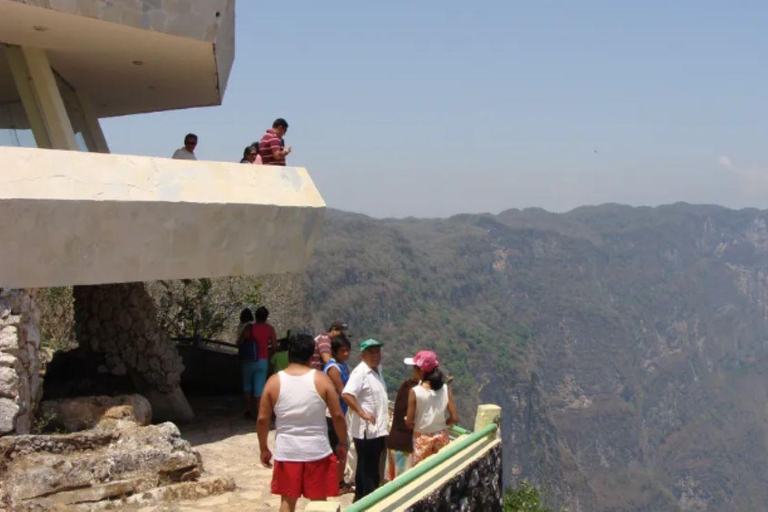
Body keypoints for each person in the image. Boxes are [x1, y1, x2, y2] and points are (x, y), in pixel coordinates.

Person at [257, 334, 348, 512]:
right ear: (311, 356)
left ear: (290, 353)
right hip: (317, 451)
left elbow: (262, 419)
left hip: (287, 451)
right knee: (319, 502)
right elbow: (337, 416)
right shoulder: (322, 380)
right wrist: (342, 442)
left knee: (287, 501)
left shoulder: (274, 382)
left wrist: (263, 448)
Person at [342, 339, 389, 501]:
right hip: (366, 431)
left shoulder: (377, 370)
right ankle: (368, 501)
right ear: (363, 355)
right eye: (372, 352)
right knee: (368, 471)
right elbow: (347, 394)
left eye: (378, 352)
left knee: (368, 468)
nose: (376, 355)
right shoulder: (360, 372)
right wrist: (362, 413)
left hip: (377, 429)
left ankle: (360, 499)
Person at [405, 350, 458, 465]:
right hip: (442, 436)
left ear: (421, 370)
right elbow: (454, 418)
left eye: (415, 367)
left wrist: (422, 427)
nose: (413, 371)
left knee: (420, 474)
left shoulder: (415, 392)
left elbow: (409, 422)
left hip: (422, 439)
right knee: (441, 470)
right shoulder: (445, 389)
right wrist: (441, 425)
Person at [324, 337, 353, 494]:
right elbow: (343, 392)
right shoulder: (334, 369)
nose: (347, 353)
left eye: (348, 350)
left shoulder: (342, 365)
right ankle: (337, 484)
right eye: (343, 351)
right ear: (335, 352)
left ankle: (336, 481)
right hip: (333, 414)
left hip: (341, 412)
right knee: (339, 447)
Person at [386, 365, 419, 480]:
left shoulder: (405, 386)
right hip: (405, 445)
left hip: (395, 441)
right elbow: (410, 421)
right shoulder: (415, 391)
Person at [236, 308, 256, 417]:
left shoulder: (240, 327)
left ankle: (249, 407)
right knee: (255, 384)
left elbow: (238, 342)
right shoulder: (251, 327)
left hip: (243, 357)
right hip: (253, 356)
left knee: (246, 384)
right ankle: (256, 406)